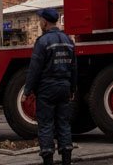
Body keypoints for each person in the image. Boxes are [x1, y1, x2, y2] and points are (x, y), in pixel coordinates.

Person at [24, 8, 77, 165]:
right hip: (64, 87)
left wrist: (27, 91)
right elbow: (74, 68)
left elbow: (35, 69)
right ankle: (66, 159)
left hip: (47, 89)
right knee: (64, 123)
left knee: (46, 124)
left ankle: (48, 159)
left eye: (40, 20)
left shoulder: (42, 42)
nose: (39, 22)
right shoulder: (68, 41)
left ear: (44, 22)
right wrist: (72, 89)